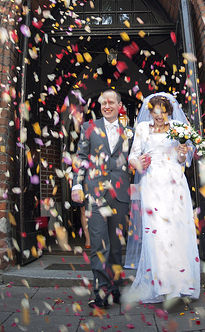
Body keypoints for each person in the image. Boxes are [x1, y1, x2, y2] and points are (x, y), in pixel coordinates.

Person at [124, 92, 201, 305]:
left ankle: (182, 283)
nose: (159, 116)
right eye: (155, 112)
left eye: (163, 112)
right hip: (152, 184)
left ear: (169, 111)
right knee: (157, 233)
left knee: (177, 231)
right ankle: (163, 285)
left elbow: (181, 159)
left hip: (175, 183)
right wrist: (138, 162)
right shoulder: (142, 129)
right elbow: (132, 156)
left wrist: (184, 152)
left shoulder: (178, 128)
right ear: (150, 113)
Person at [71, 89, 133, 308]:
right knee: (99, 243)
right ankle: (101, 291)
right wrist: (77, 183)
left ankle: (115, 288)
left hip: (120, 193)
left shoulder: (130, 131)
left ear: (119, 105)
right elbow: (81, 157)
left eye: (111, 102)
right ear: (99, 105)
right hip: (95, 191)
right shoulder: (89, 128)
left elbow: (134, 159)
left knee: (116, 244)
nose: (107, 106)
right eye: (103, 102)